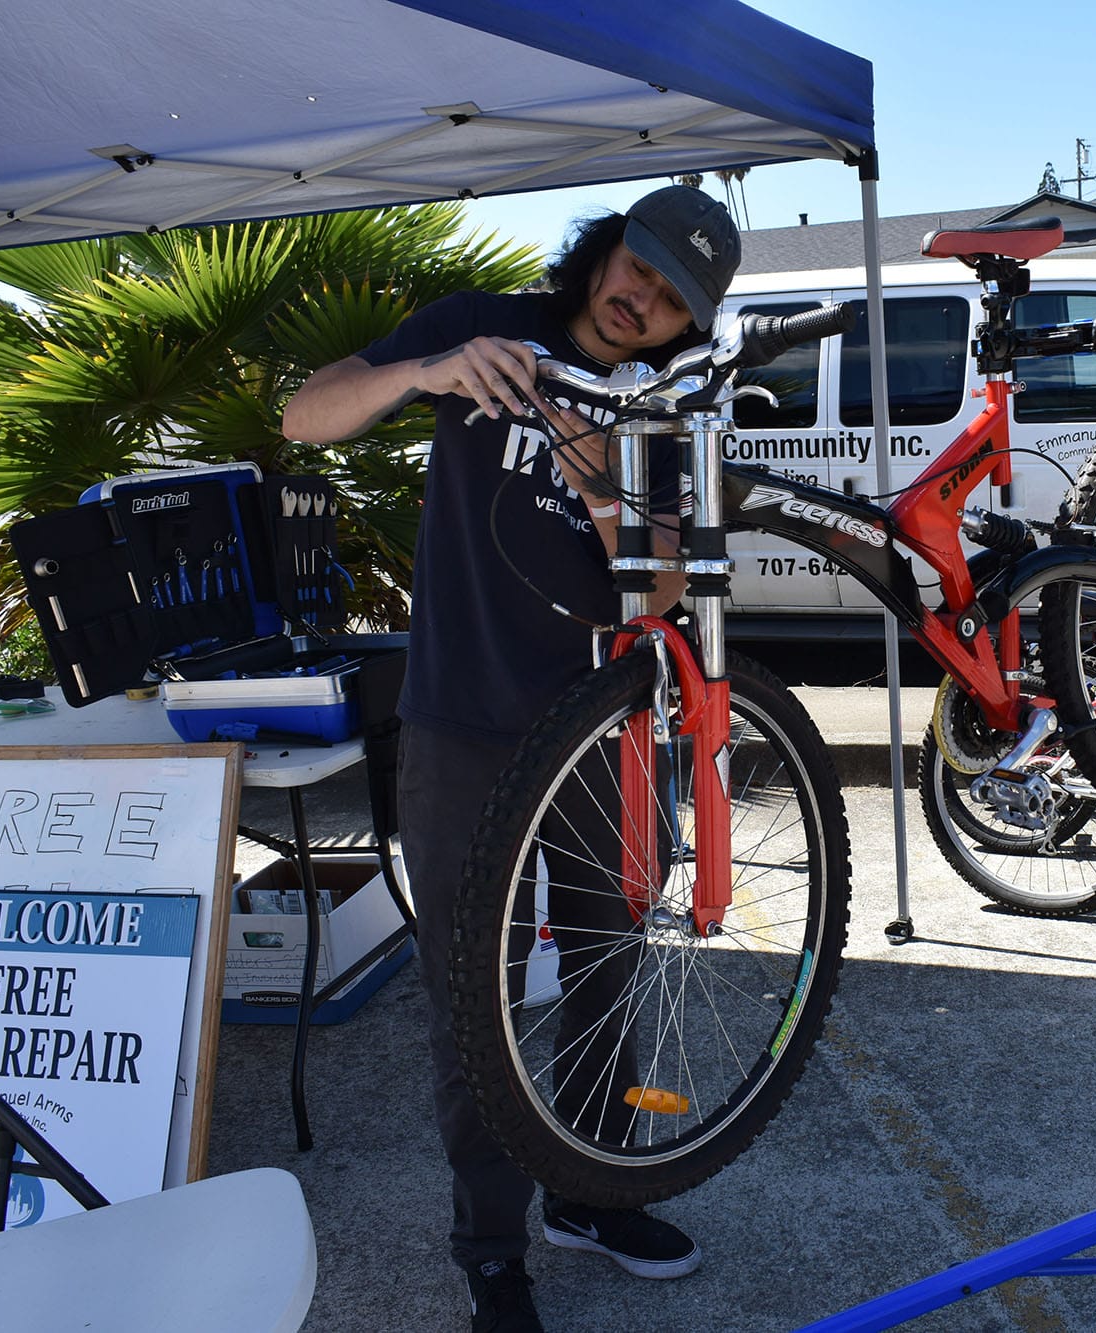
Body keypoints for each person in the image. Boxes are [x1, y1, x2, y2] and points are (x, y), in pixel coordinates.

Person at [281, 184, 741, 1333]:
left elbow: (664, 583)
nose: (640, 300)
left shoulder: (673, 404)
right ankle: (490, 1249)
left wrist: (594, 465)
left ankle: (589, 1191)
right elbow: (303, 416)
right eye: (637, 267)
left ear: (691, 324)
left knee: (606, 964)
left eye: (672, 298)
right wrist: (422, 372)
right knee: (469, 996)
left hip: (600, 729)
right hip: (460, 722)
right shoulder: (484, 324)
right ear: (605, 251)